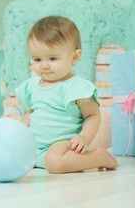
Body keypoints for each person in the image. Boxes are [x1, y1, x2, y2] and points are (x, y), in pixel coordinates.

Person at [14, 15, 118, 173]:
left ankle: (99, 158)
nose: (44, 65)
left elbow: (92, 115)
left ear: (74, 57)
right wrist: (24, 124)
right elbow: (32, 110)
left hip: (63, 145)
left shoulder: (76, 88)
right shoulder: (32, 85)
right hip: (34, 144)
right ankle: (42, 160)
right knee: (12, 154)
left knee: (54, 163)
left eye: (52, 58)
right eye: (37, 59)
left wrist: (84, 137)